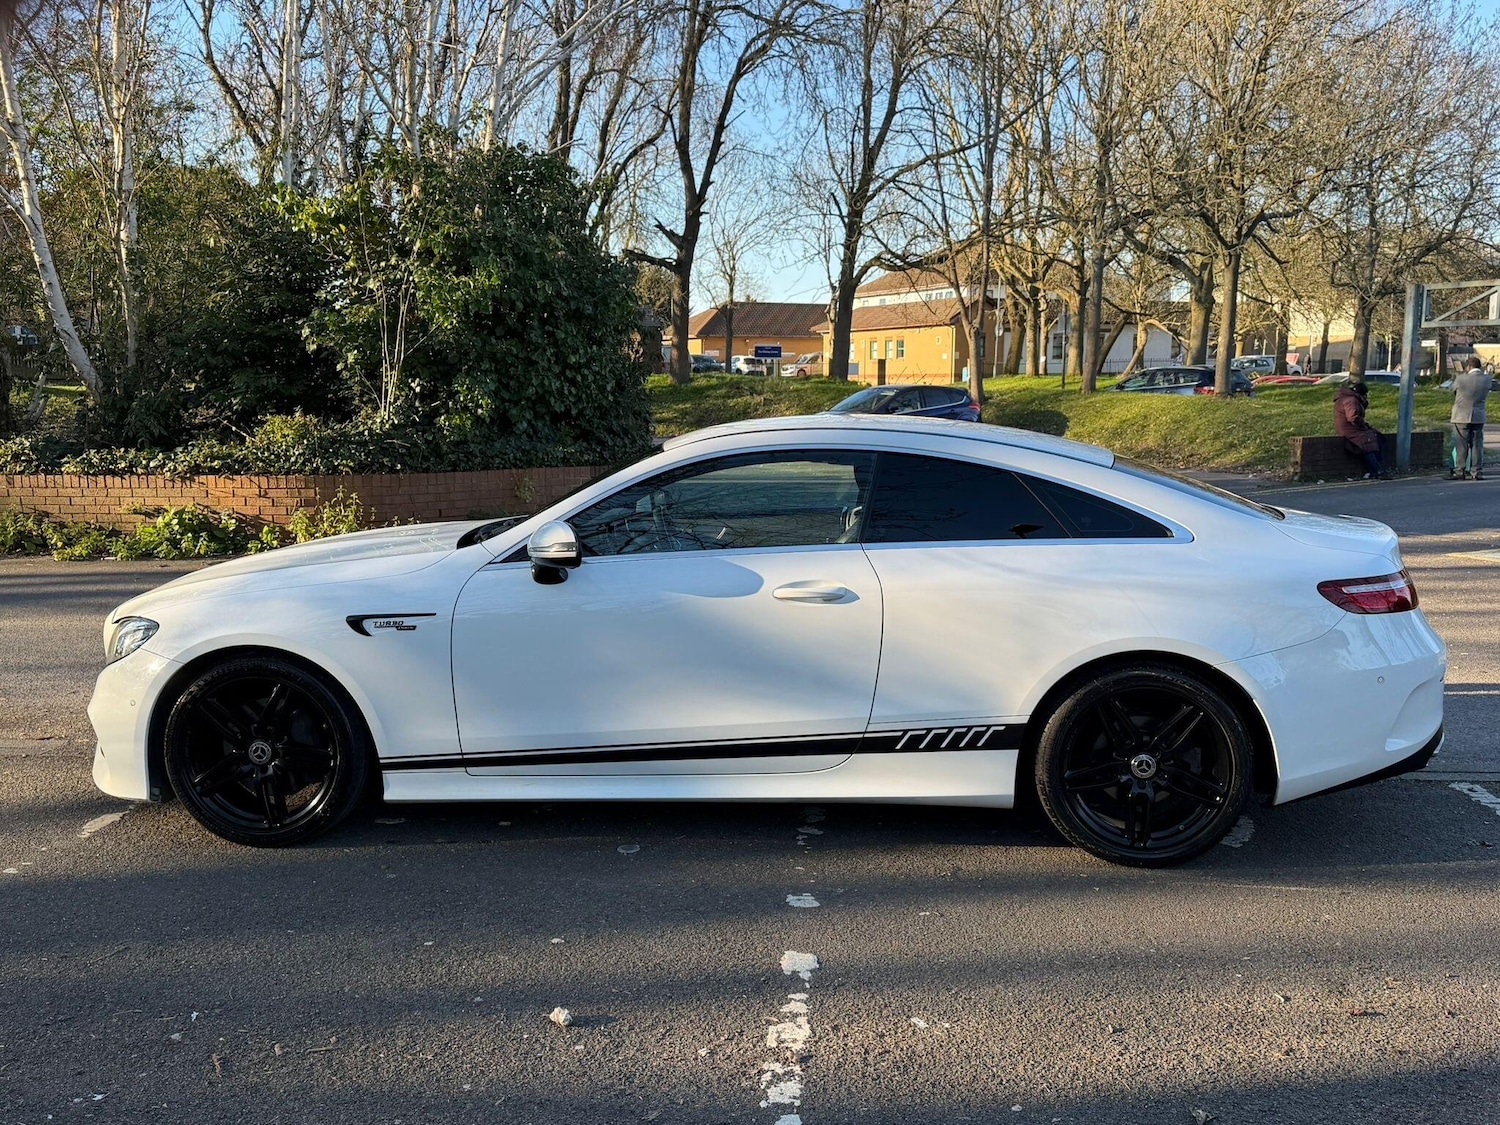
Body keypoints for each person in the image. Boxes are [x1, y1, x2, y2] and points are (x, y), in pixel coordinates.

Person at [1333, 371, 1387, 479]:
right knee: (1367, 443)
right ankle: (1377, 470)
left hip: (1352, 429)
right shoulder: (1351, 400)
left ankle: (1375, 469)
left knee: (1376, 437)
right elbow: (1353, 417)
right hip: (1351, 430)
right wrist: (1363, 426)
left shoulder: (1349, 399)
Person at [1449, 356, 1492, 481]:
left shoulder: (1461, 379)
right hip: (1478, 415)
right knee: (1477, 445)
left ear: (1468, 367)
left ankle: (1460, 471)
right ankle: (1476, 472)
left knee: (1461, 445)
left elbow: (1453, 391)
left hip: (1461, 415)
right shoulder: (1487, 380)